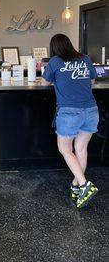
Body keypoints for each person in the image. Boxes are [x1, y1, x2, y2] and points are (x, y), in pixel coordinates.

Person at [42, 34, 99, 209]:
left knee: (65, 149)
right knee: (81, 149)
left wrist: (59, 81)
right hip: (91, 110)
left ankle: (84, 185)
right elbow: (92, 80)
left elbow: (44, 82)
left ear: (54, 48)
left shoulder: (55, 62)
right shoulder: (86, 58)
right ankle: (76, 186)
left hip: (69, 112)